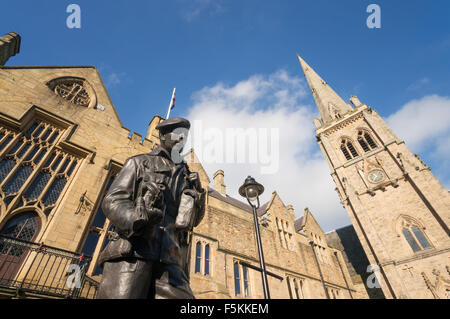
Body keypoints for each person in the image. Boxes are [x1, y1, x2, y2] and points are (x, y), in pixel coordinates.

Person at [96, 117, 205, 299]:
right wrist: (136, 218)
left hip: (170, 259)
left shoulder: (187, 175)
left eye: (185, 136)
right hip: (134, 251)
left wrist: (199, 195)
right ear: (162, 136)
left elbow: (192, 222)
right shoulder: (139, 162)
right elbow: (113, 200)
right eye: (177, 134)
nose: (182, 140)